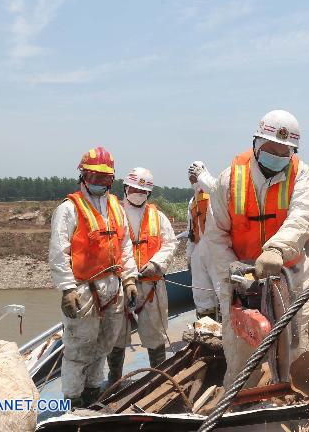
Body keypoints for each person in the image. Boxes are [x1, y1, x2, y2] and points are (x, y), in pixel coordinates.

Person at [200, 110, 309, 386]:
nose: (276, 155)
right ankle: (240, 407)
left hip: (291, 274)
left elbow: (302, 216)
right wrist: (234, 275)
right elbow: (216, 235)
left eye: (283, 151)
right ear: (256, 143)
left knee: (298, 352)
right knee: (242, 355)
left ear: (293, 151)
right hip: (242, 278)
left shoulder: (301, 175)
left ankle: (295, 409)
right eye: (270, 148)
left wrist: (277, 249)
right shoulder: (229, 180)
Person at [48, 147, 139, 408]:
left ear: (112, 179)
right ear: (83, 175)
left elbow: (125, 246)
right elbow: (59, 251)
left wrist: (130, 278)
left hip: (113, 287)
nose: (100, 183)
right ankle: (73, 400)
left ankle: (92, 392)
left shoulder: (115, 207)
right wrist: (67, 289)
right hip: (83, 290)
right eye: (94, 177)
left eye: (105, 178)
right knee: (78, 348)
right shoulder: (69, 209)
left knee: (104, 344)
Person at [106, 167, 178, 386]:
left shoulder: (158, 217)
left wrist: (156, 264)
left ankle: (157, 378)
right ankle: (114, 378)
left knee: (155, 334)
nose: (138, 193)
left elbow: (170, 243)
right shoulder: (113, 214)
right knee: (116, 334)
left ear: (149, 193)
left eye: (143, 190)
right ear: (125, 187)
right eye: (135, 188)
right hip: (120, 285)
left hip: (151, 286)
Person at [186, 161, 219, 319]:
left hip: (216, 249)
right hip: (198, 251)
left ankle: (228, 327)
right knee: (201, 291)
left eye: (196, 176)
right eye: (192, 178)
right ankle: (207, 325)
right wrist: (189, 255)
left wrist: (204, 178)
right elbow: (190, 230)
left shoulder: (214, 195)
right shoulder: (192, 202)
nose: (194, 180)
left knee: (222, 290)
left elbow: (217, 191)